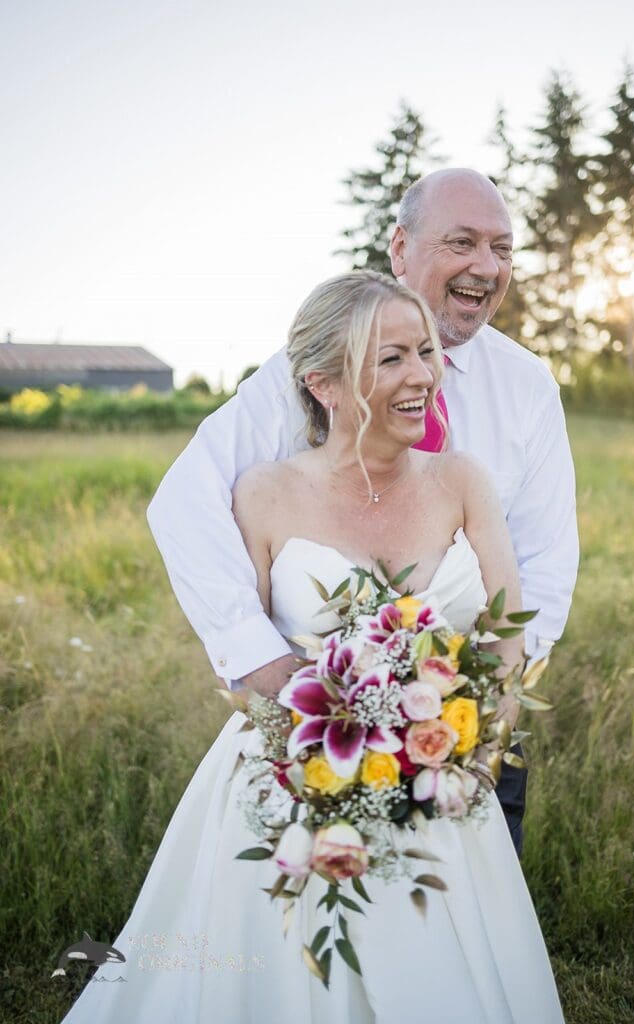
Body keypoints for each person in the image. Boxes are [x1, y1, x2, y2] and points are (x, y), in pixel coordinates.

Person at [60, 272, 565, 1023]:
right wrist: (324, 735)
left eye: (423, 352)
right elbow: (248, 655)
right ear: (322, 383)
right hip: (290, 775)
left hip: (438, 772)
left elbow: (507, 629)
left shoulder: (462, 480)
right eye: (390, 359)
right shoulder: (262, 493)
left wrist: (463, 739)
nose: (422, 375)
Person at [146, 168, 579, 853]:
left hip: (470, 722)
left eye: (501, 248)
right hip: (320, 728)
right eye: (461, 242)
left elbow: (546, 555)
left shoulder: (527, 387)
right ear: (399, 249)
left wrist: (488, 702)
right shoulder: (304, 372)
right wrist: (271, 672)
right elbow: (186, 504)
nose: (485, 267)